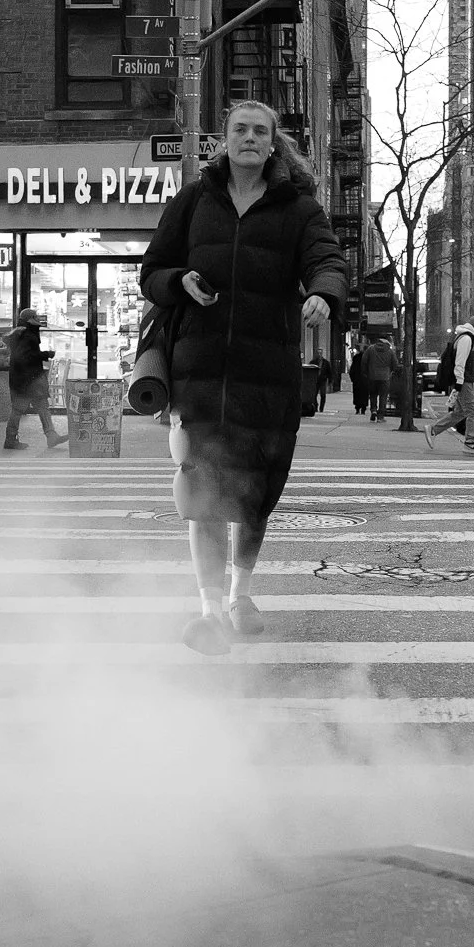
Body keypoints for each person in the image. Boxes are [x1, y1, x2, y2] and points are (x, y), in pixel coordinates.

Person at [140, 99, 349, 654]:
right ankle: (208, 610)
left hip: (267, 378)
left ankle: (240, 594)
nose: (249, 138)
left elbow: (327, 261)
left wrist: (324, 296)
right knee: (202, 489)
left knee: (255, 493)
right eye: (240, 129)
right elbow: (151, 271)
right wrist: (177, 280)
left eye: (260, 131)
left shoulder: (299, 209)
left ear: (273, 142)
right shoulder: (193, 201)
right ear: (224, 139)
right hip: (198, 373)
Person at [2, 307, 66, 451]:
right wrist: (46, 354)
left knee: (37, 407)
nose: (38, 319)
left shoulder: (20, 333)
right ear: (31, 319)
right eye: (35, 317)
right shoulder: (28, 335)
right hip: (29, 380)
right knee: (26, 408)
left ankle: (49, 436)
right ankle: (13, 439)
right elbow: (26, 357)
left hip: (22, 378)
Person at [425, 320, 474, 452]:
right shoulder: (466, 339)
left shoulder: (465, 338)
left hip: (463, 380)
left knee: (460, 412)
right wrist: (460, 382)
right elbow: (460, 362)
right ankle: (470, 442)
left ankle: (434, 430)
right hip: (465, 380)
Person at [361, 332, 394, 421]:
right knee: (383, 396)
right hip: (385, 377)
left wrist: (365, 372)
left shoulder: (370, 349)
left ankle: (373, 410)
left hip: (372, 376)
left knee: (373, 395)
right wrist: (390, 371)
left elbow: (364, 361)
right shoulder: (390, 351)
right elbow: (395, 363)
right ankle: (381, 416)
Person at [349, 341, 368, 416]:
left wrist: (353, 379)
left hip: (357, 380)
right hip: (364, 380)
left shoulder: (356, 358)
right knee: (364, 394)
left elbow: (352, 370)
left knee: (357, 394)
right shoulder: (367, 359)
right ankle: (363, 408)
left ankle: (357, 408)